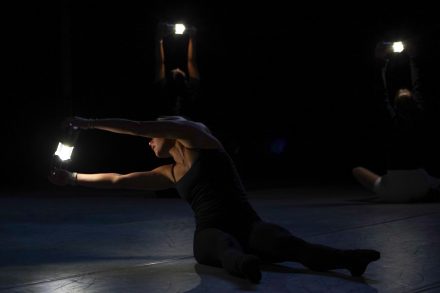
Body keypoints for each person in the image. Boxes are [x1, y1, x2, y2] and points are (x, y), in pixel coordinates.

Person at [49, 116, 380, 283]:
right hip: (210, 232)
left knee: (289, 243)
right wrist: (73, 178)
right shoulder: (170, 173)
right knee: (222, 246)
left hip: (249, 224)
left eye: (152, 137)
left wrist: (90, 122)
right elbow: (119, 181)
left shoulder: (198, 139)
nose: (149, 143)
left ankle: (349, 259)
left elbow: (139, 126)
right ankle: (244, 266)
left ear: (167, 130)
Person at [352, 40, 440, 203]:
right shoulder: (423, 123)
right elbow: (417, 84)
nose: (403, 89)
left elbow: (383, 93)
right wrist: (412, 58)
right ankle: (425, 193)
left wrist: (382, 63)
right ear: (414, 101)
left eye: (402, 91)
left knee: (357, 170)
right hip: (422, 186)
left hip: (393, 191)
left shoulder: (391, 123)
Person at [154, 22, 200, 118]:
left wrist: (160, 39)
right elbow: (191, 61)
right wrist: (192, 38)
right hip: (186, 125)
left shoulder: (163, 91)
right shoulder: (191, 91)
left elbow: (160, 63)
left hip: (167, 124)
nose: (177, 68)